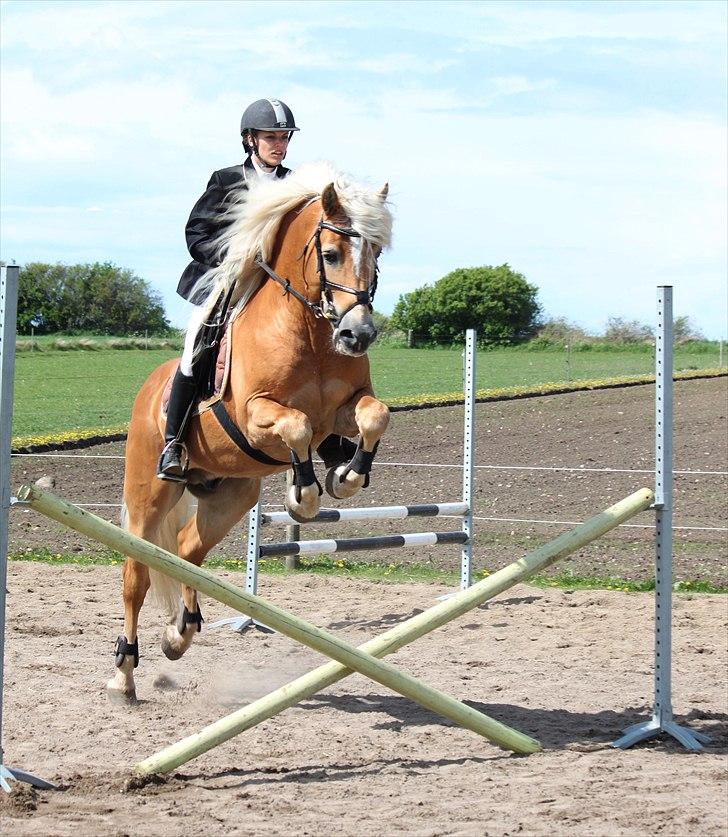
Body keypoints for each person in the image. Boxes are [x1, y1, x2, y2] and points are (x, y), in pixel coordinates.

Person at [158, 98, 354, 482]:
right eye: (271, 137)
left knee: (322, 334)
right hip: (229, 279)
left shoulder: (299, 186)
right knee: (197, 338)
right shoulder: (226, 180)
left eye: (284, 138)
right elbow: (196, 235)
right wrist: (238, 256)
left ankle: (328, 439)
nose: (278, 145)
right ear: (250, 139)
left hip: (279, 287)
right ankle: (173, 443)